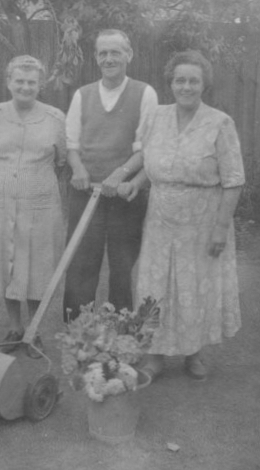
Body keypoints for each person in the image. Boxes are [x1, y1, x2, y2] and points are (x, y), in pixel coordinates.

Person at [118, 50, 245, 381]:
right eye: (180, 80)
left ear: (204, 85)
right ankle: (156, 354)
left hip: (202, 223)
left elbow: (233, 181)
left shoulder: (220, 123)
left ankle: (194, 353)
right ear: (170, 83)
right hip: (160, 220)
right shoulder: (156, 117)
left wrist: (220, 228)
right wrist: (135, 182)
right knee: (154, 287)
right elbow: (154, 161)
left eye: (193, 80)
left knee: (195, 288)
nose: (186, 86)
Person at [63, 29, 158, 322]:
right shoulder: (83, 95)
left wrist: (121, 173)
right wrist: (78, 169)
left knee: (121, 267)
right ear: (96, 58)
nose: (109, 58)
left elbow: (148, 147)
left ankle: (121, 339)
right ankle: (78, 337)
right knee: (81, 265)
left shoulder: (145, 93)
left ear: (128, 55)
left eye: (115, 52)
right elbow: (71, 145)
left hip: (124, 194)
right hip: (85, 191)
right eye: (103, 53)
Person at [0, 55, 66, 356]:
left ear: (40, 85)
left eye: (31, 82)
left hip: (40, 203)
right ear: (8, 82)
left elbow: (61, 160)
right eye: (19, 81)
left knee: (38, 266)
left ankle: (35, 330)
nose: (25, 87)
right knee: (7, 264)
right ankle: (15, 327)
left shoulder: (55, 119)